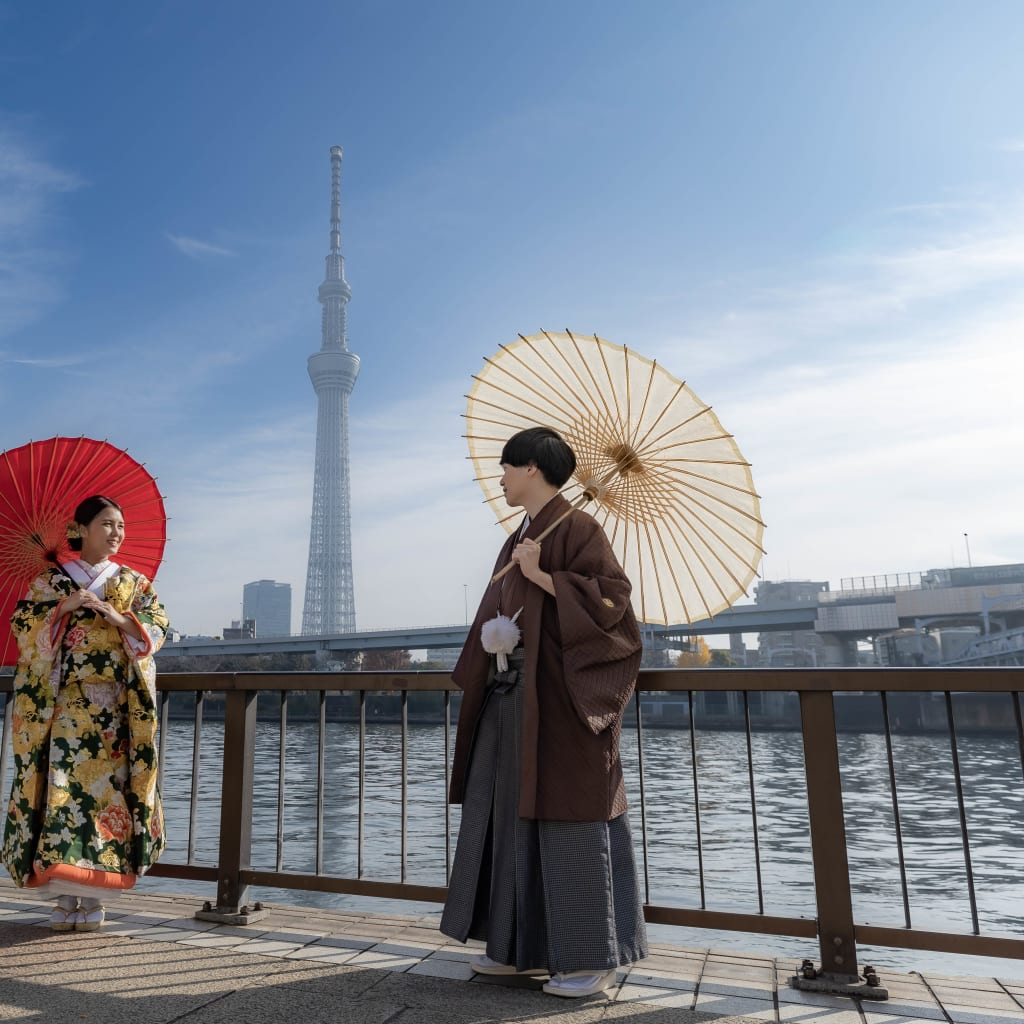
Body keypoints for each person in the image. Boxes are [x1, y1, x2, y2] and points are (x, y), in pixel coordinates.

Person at [440, 426, 648, 998]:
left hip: (560, 704)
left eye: (507, 467)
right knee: (506, 816)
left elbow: (614, 604)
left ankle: (590, 958)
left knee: (569, 819)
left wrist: (544, 577)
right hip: (512, 701)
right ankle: (516, 949)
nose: (500, 478)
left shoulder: (577, 527)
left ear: (532, 468)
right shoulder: (523, 534)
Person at [2, 494, 168, 932]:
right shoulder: (51, 582)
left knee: (106, 798)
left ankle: (96, 898)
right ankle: (64, 896)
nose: (117, 533)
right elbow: (25, 627)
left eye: (121, 526)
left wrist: (121, 618)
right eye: (108, 524)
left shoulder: (133, 582)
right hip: (63, 709)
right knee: (60, 794)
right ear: (80, 529)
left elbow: (158, 625)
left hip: (114, 710)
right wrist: (62, 609)